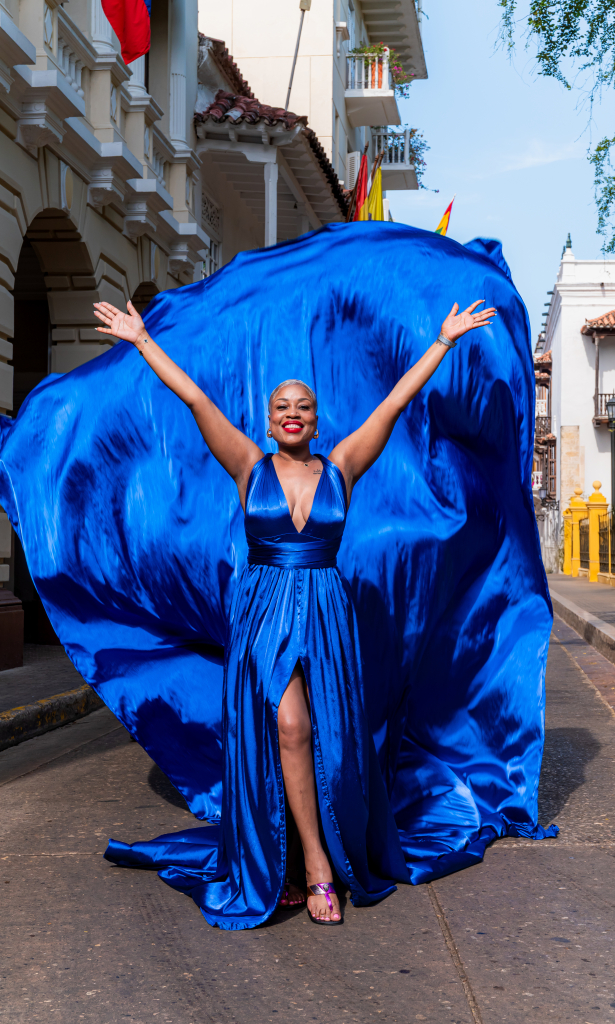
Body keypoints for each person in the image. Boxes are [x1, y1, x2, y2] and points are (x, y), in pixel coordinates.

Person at [93, 295, 496, 928]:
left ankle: (302, 856)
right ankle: (313, 868)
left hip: (328, 613)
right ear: (268, 417)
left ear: (315, 418)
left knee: (329, 738)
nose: (291, 413)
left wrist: (442, 342)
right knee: (287, 729)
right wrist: (142, 341)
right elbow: (196, 400)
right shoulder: (248, 467)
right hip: (264, 610)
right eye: (282, 406)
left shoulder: (341, 468)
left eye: (302, 406)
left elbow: (394, 404)